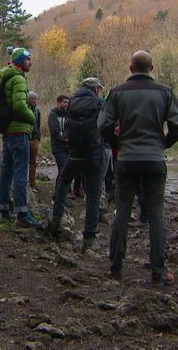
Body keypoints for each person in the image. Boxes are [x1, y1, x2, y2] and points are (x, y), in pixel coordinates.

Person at [98, 50, 178, 286]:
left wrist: (118, 144)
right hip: (154, 159)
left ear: (130, 68)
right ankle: (158, 271)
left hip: (127, 159)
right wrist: (163, 144)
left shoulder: (116, 93)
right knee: (156, 214)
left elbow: (104, 125)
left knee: (122, 212)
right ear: (152, 68)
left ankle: (116, 268)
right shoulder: (165, 93)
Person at [49, 78, 106, 251]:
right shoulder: (99, 103)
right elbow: (107, 124)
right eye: (99, 88)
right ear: (95, 89)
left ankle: (56, 219)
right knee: (94, 195)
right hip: (94, 153)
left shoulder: (72, 102)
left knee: (63, 181)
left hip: (74, 152)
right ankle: (88, 239)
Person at [0, 47, 42, 228]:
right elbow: (19, 106)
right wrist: (32, 118)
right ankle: (22, 212)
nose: (30, 62)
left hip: (8, 131)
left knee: (6, 171)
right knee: (21, 172)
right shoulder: (18, 78)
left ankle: (3, 209)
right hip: (19, 131)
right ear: (21, 61)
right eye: (28, 59)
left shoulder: (6, 77)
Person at [48, 95, 70, 190]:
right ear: (59, 103)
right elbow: (54, 130)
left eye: (67, 102)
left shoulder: (68, 115)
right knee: (63, 169)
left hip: (68, 147)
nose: (66, 104)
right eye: (64, 102)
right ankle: (59, 194)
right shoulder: (53, 115)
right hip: (58, 147)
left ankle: (67, 191)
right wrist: (64, 138)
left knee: (66, 170)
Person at [28, 91, 41, 192]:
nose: (34, 101)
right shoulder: (25, 110)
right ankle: (25, 183)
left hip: (34, 139)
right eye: (32, 99)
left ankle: (32, 183)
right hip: (26, 138)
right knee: (23, 162)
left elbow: (38, 125)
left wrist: (38, 137)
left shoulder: (37, 111)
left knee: (33, 162)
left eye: (35, 99)